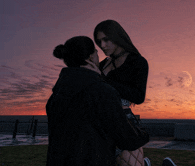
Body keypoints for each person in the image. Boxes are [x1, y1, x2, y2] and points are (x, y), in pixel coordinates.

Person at [46, 36, 149, 166]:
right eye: (96, 51)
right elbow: (128, 140)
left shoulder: (55, 96)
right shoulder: (102, 92)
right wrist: (143, 132)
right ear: (90, 58)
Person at [93, 20, 177, 166]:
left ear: (117, 36)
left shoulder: (138, 62)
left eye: (106, 40)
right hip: (99, 123)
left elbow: (138, 96)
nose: (102, 45)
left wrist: (104, 80)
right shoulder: (102, 64)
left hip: (123, 122)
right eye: (99, 41)